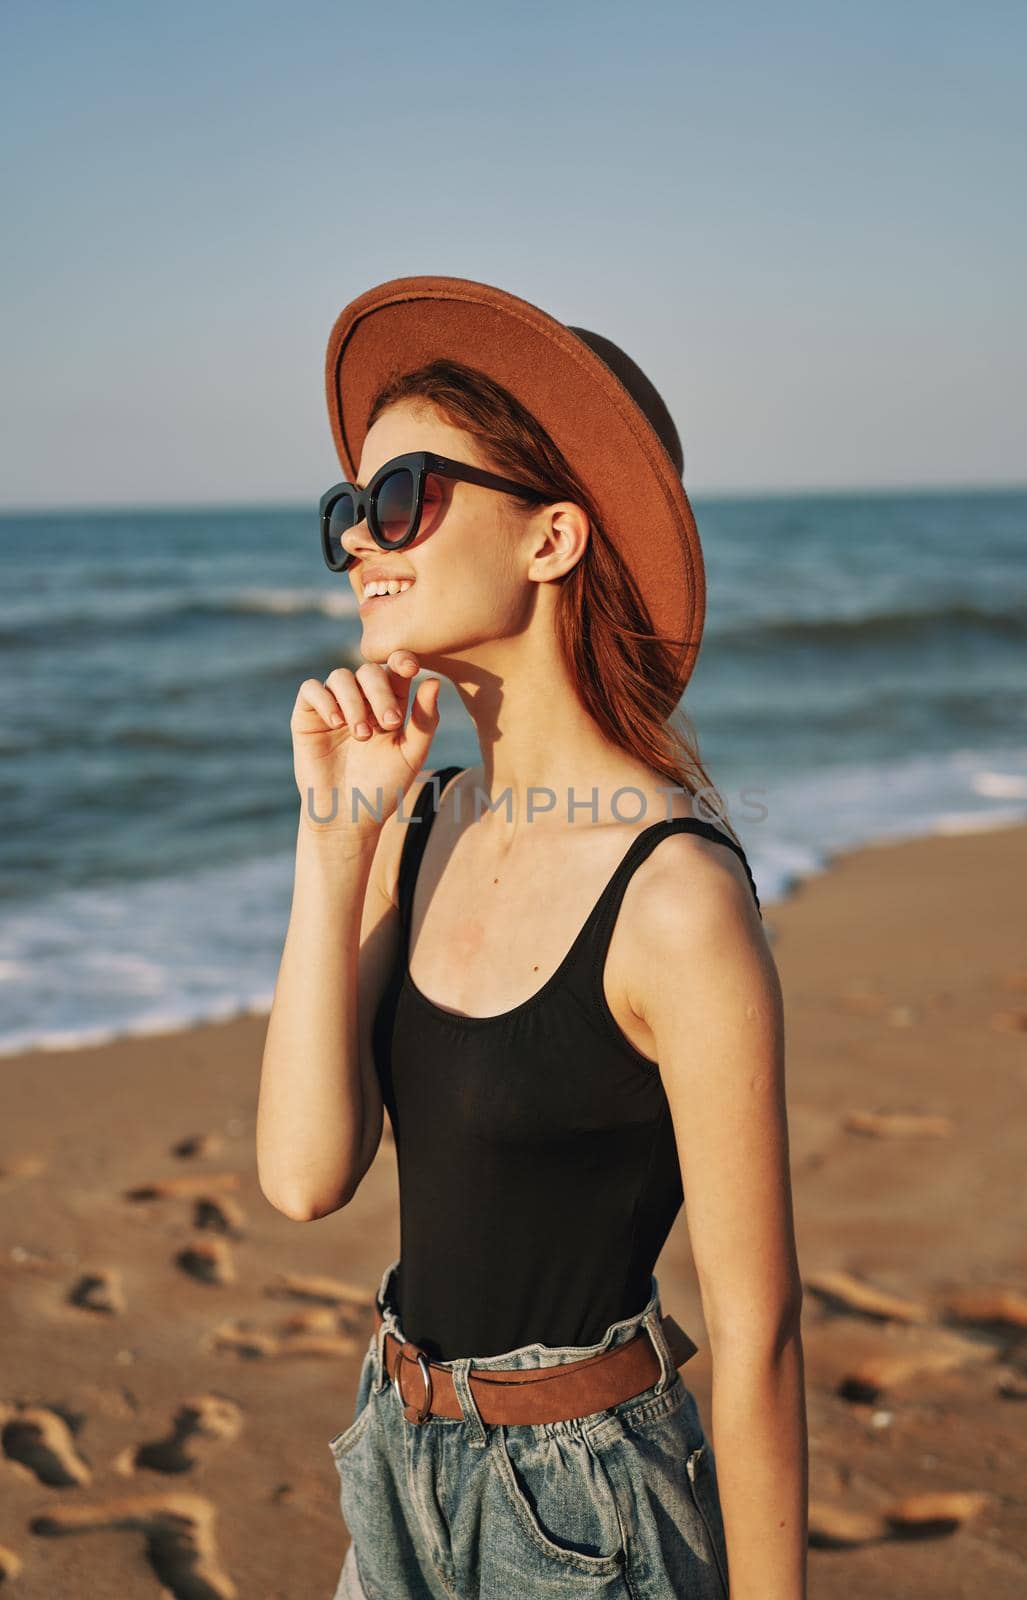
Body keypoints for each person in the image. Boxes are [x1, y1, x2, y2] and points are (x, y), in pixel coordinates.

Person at [257, 275, 808, 1599]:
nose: (358, 544)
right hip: (391, 1457)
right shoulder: (423, 822)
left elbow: (762, 1331)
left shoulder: (676, 901)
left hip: (584, 1514)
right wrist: (333, 847)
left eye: (398, 500)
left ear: (552, 538)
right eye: (347, 511)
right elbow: (302, 1174)